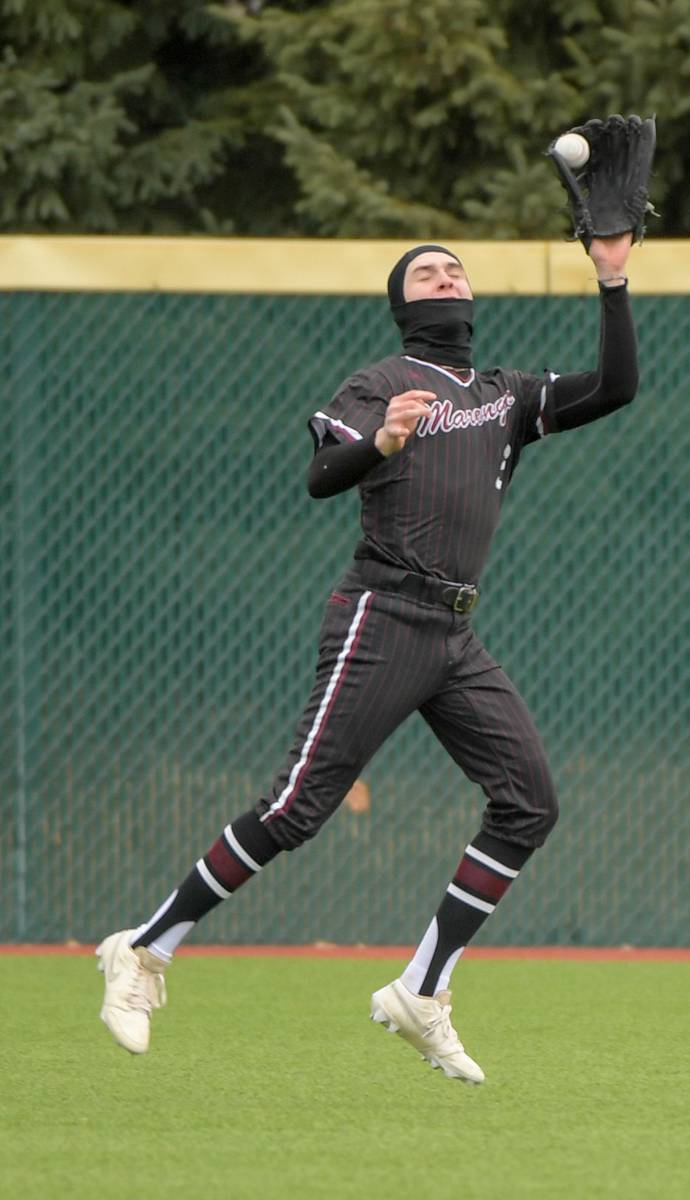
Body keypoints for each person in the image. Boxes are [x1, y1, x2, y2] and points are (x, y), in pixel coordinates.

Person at [97, 233, 638, 1084]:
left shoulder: (504, 395)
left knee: (529, 803)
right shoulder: (380, 382)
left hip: (455, 634)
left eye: (454, 266)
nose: (446, 272)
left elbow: (616, 387)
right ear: (406, 303)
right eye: (426, 269)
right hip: (382, 615)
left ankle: (423, 988)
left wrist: (612, 277)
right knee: (295, 809)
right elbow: (320, 475)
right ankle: (144, 948)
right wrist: (379, 444)